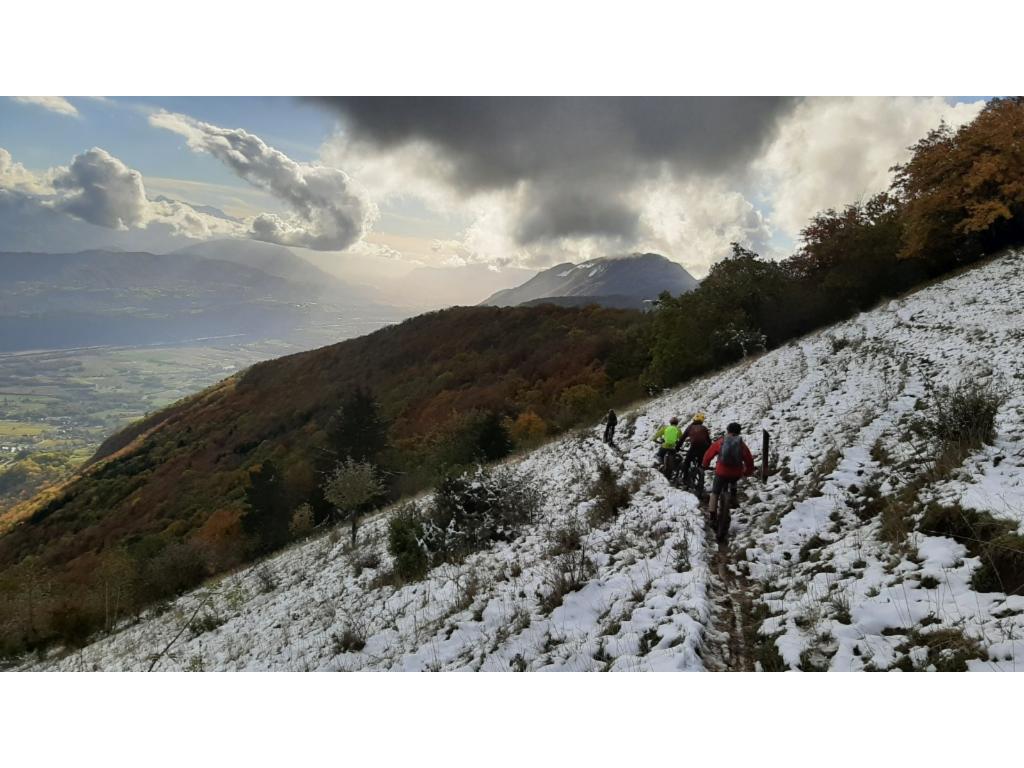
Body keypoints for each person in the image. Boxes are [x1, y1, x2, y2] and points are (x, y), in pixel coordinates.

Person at [702, 422, 755, 534]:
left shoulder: (721, 442)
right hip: (736, 473)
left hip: (721, 472)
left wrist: (705, 465)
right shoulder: (741, 445)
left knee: (715, 492)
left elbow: (709, 454)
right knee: (733, 480)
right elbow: (749, 460)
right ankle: (733, 497)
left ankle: (712, 515)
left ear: (728, 430)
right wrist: (747, 472)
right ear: (739, 431)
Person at [680, 412, 712, 481]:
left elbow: (682, 438)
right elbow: (709, 440)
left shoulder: (690, 427)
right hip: (704, 448)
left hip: (694, 447)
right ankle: (700, 475)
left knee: (686, 462)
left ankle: (685, 479)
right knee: (700, 463)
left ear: (694, 419)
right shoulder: (704, 428)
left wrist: (677, 447)